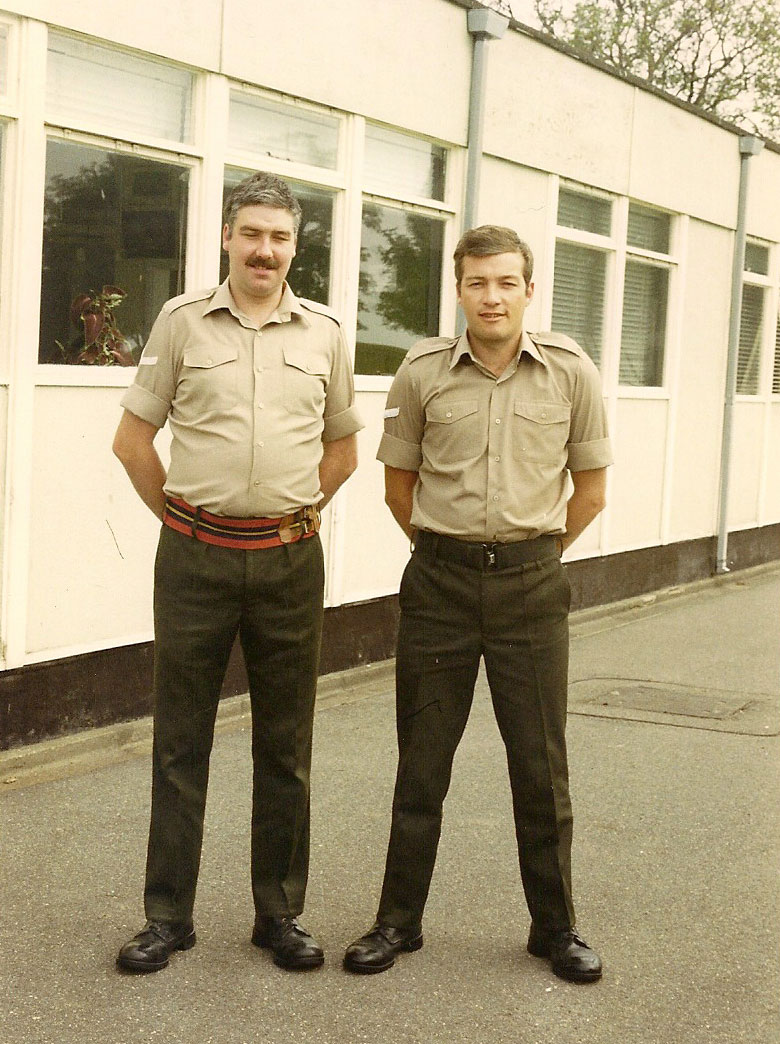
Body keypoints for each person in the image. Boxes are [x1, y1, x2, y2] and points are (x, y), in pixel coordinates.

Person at [343, 225, 612, 983]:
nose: (491, 297)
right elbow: (399, 486)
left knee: (540, 766)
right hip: (440, 586)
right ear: (458, 290)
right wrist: (450, 551)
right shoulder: (422, 372)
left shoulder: (570, 372)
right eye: (476, 283)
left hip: (532, 584)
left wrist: (529, 558)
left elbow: (589, 492)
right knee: (421, 764)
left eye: (505, 283)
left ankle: (555, 929)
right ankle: (397, 923)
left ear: (530, 289)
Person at [113, 171, 362, 974]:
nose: (265, 250)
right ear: (227, 237)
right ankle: (167, 918)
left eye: (280, 237)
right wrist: (189, 524)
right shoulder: (182, 323)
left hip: (290, 563)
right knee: (181, 743)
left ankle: (279, 914)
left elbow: (343, 449)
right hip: (195, 563)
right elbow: (133, 441)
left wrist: (292, 515)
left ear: (296, 245)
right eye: (251, 233)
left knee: (285, 746)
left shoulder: (324, 332)